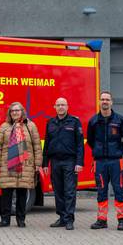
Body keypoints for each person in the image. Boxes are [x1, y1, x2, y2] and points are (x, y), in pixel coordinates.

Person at [87, 91, 123, 230]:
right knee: (101, 190)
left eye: (107, 99)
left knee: (119, 189)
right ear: (99, 102)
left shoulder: (120, 120)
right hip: (100, 162)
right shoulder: (93, 121)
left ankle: (122, 220)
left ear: (112, 102)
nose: (105, 102)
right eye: (102, 99)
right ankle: (102, 220)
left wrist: (119, 151)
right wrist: (98, 151)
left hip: (115, 161)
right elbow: (90, 140)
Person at [0, 102, 42, 228]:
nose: (14, 112)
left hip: (25, 165)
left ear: (22, 112)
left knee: (21, 193)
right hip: (6, 164)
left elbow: (37, 146)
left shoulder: (30, 126)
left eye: (17, 110)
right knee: (6, 194)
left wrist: (38, 163)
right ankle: (5, 220)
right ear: (9, 113)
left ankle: (21, 220)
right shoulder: (4, 127)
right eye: (12, 110)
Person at [42, 97, 84, 230]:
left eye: (63, 105)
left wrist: (79, 162)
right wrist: (45, 164)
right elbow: (47, 144)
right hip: (55, 161)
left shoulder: (75, 122)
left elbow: (79, 145)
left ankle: (69, 219)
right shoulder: (51, 122)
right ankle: (61, 217)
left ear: (67, 107)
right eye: (58, 105)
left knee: (69, 191)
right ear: (54, 107)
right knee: (58, 191)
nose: (61, 107)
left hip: (69, 161)